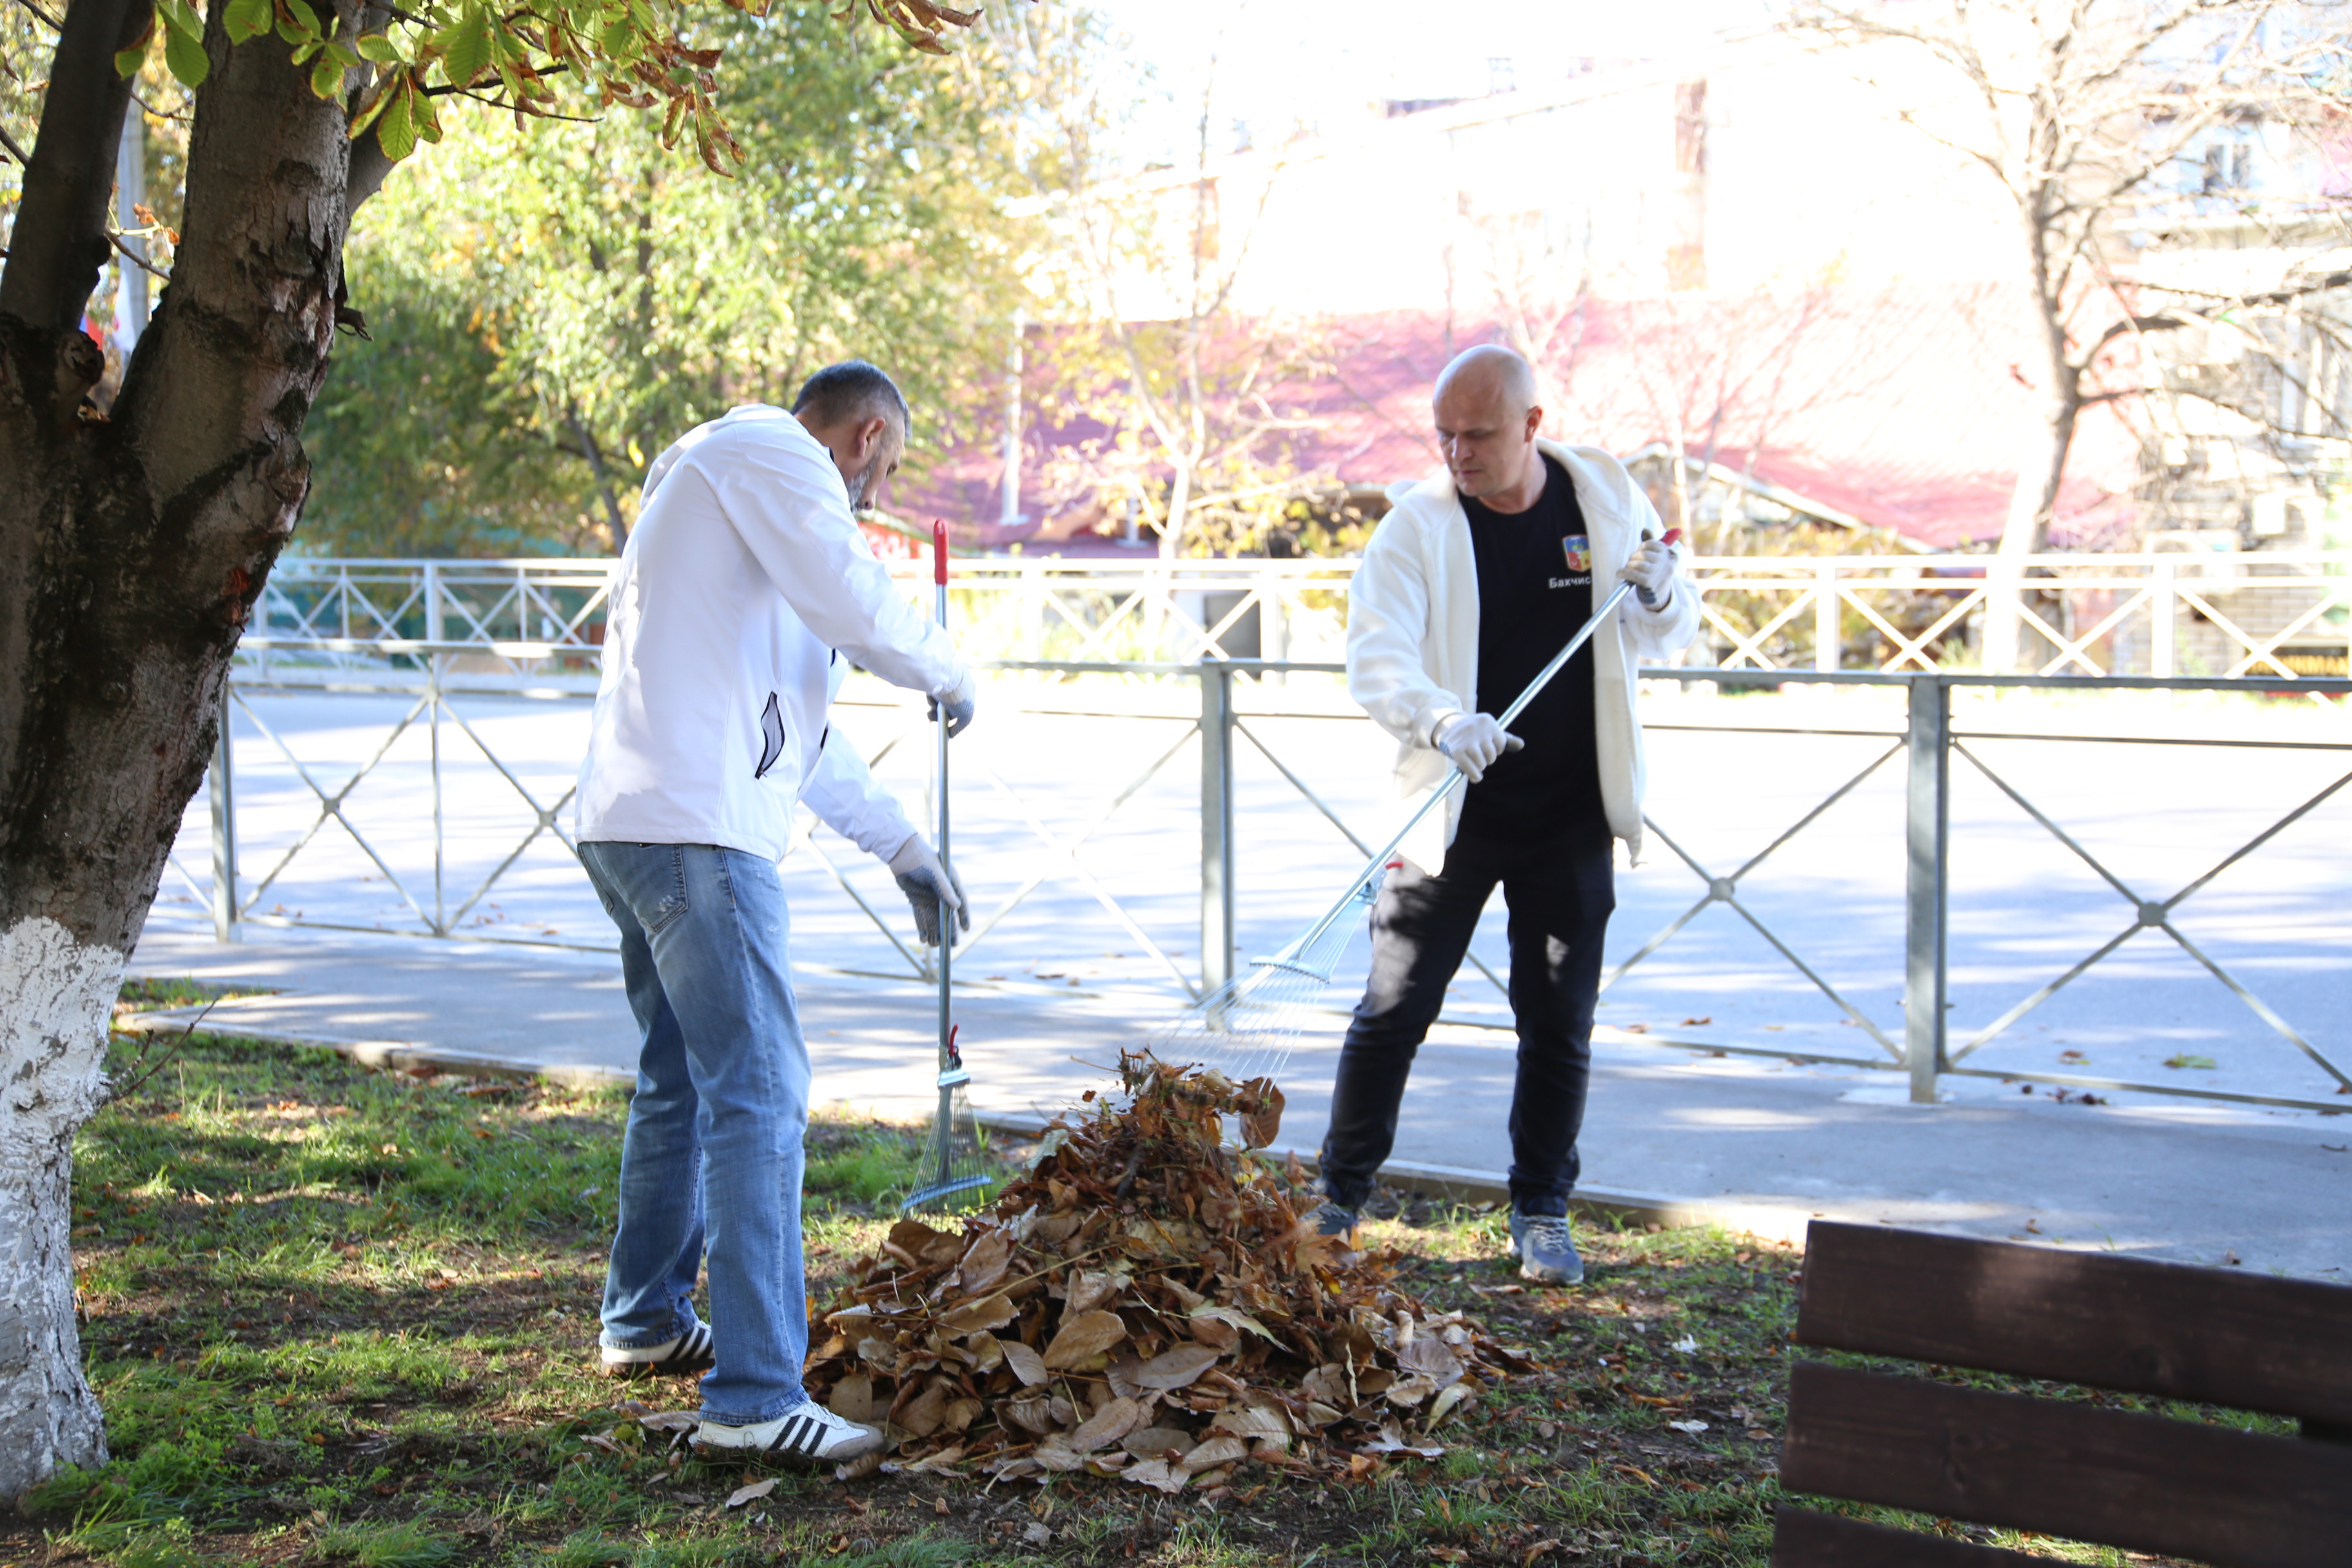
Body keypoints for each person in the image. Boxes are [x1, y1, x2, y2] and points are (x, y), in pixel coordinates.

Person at [571, 360, 975, 1464]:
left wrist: (904, 849)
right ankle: (754, 1400)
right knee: (759, 1091)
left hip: (638, 823)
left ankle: (646, 1320)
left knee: (679, 1079)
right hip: (697, 832)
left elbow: (802, 733)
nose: (878, 497)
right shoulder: (776, 455)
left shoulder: (731, 494)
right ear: (864, 435)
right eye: (886, 469)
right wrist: (947, 669)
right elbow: (862, 603)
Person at [1317, 344, 1700, 1284]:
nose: (1458, 454)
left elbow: (1663, 629)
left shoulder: (1603, 499)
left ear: (1531, 424)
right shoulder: (1415, 528)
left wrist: (1658, 589)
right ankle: (1337, 1200)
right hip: (1452, 810)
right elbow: (1376, 656)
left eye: (1478, 435)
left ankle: (1541, 1210)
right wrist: (1442, 720)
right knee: (1393, 1012)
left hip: (1571, 810)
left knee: (1558, 1022)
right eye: (1443, 435)